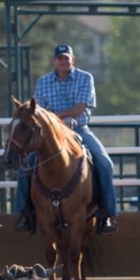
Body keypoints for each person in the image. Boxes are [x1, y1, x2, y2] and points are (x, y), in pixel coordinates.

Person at [14, 44, 118, 235]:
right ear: (54, 61)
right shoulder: (44, 82)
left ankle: (107, 214)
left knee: (104, 163)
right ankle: (25, 213)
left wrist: (59, 117)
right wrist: (59, 121)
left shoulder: (85, 78)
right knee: (26, 165)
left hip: (79, 128)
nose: (63, 61)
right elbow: (39, 112)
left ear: (72, 59)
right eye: (59, 58)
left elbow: (80, 107)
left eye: (66, 58)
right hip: (50, 133)